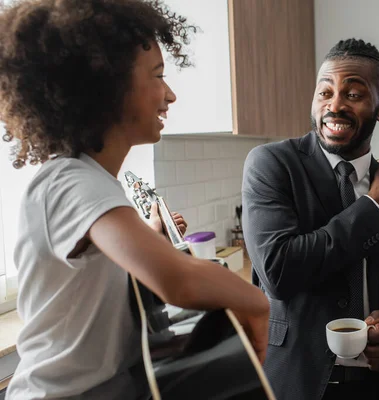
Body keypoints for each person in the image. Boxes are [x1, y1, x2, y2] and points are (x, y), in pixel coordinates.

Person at [0, 1, 269, 398]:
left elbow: (101, 291)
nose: (171, 95)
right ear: (105, 86)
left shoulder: (94, 182)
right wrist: (257, 301)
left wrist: (151, 239)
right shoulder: (68, 180)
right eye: (158, 76)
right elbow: (178, 281)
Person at [242, 38, 379, 400]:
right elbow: (278, 271)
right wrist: (374, 209)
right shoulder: (273, 164)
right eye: (324, 93)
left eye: (354, 94)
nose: (334, 106)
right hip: (294, 382)